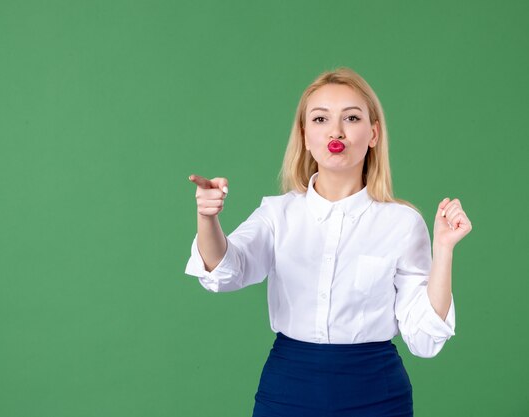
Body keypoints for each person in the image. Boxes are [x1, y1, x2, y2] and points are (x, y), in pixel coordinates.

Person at [184, 67, 472, 417]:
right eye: (320, 119)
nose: (336, 131)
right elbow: (225, 270)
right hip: (288, 389)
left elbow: (425, 341)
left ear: (373, 133)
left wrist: (443, 251)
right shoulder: (277, 214)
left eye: (351, 117)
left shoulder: (402, 222)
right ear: (305, 135)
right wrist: (207, 218)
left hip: (377, 395)